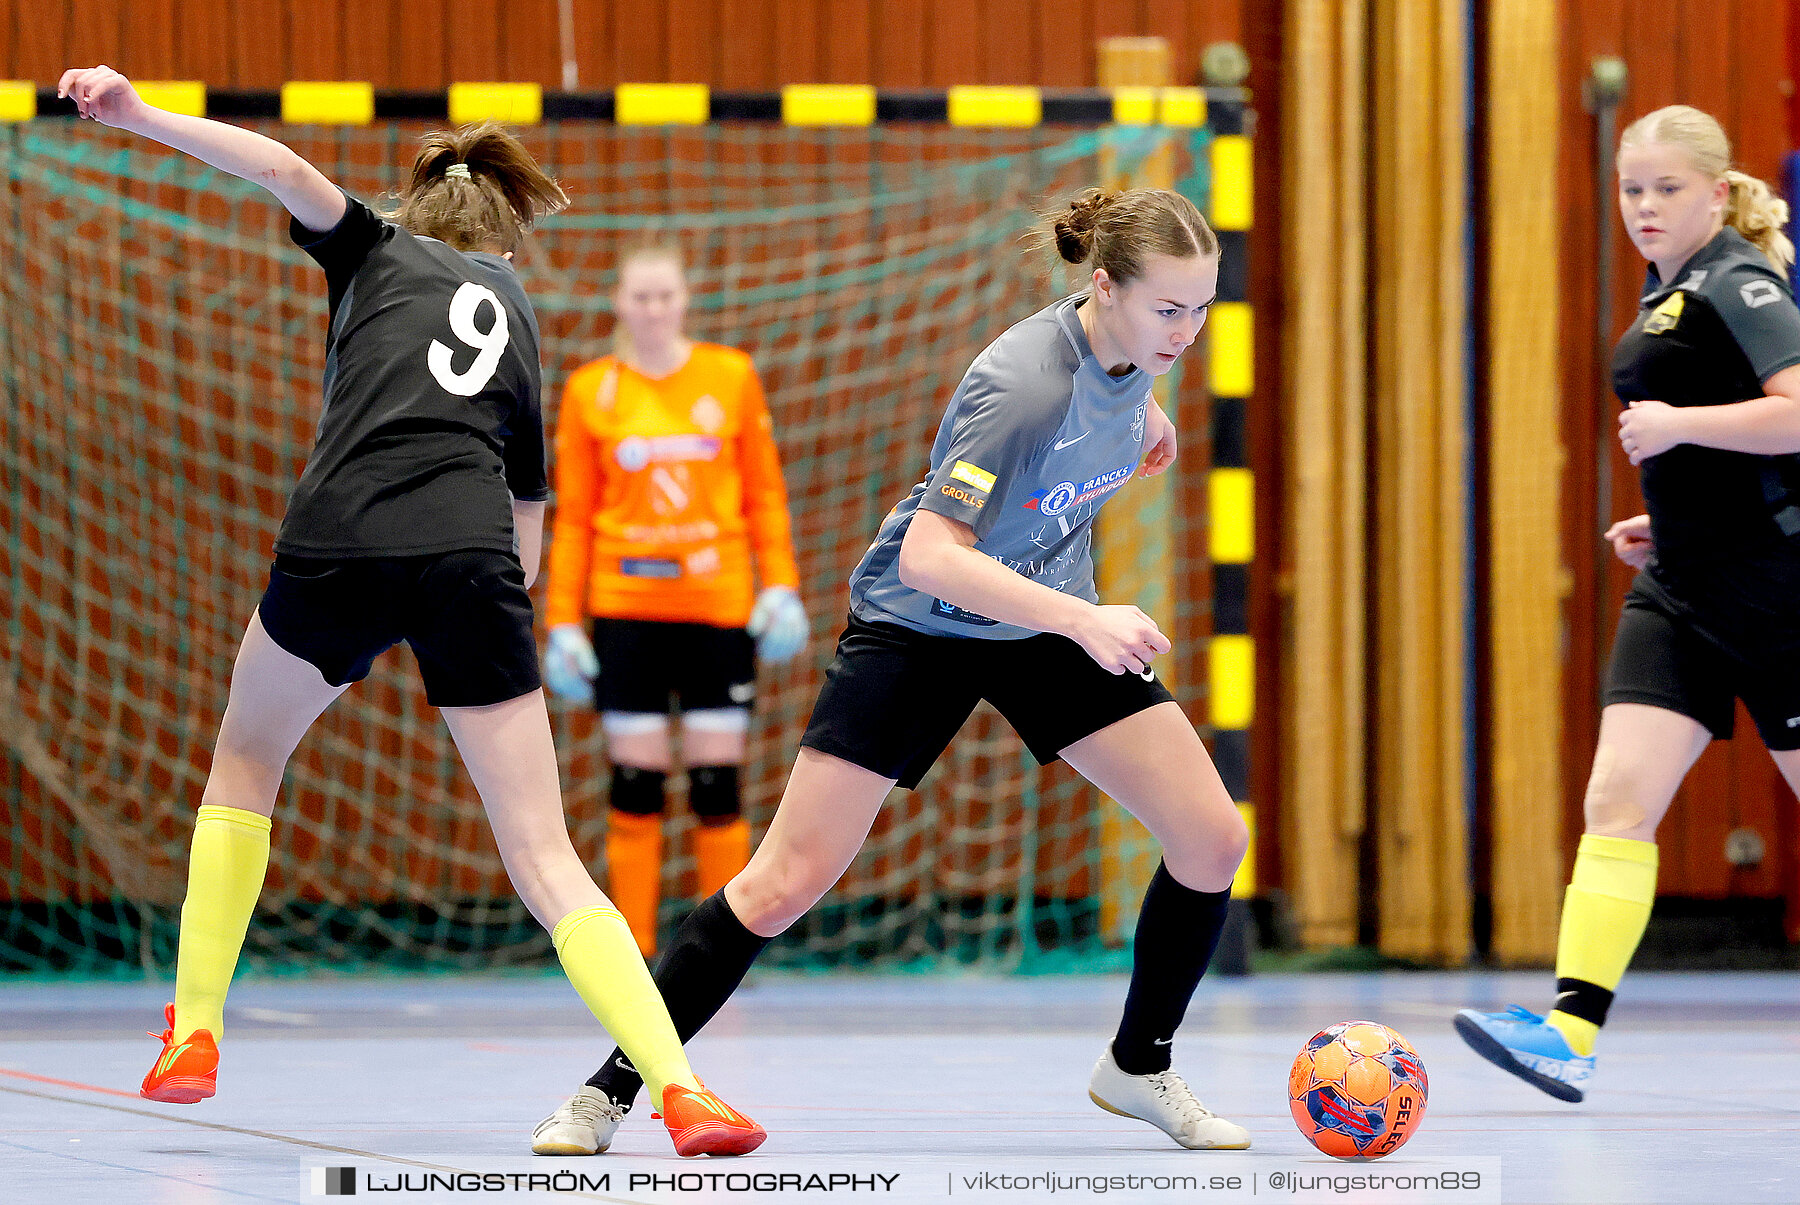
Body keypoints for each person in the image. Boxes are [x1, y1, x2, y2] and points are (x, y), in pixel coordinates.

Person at [56, 64, 764, 1156]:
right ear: (503, 243)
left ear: (410, 212)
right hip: (470, 556)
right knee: (542, 851)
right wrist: (505, 620)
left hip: (339, 536)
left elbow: (286, 168)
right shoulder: (518, 309)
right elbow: (529, 504)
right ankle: (678, 1087)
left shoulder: (374, 247)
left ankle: (192, 1028)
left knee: (245, 761)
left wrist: (137, 111)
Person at [533, 187, 1251, 1156]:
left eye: (1201, 308)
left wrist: (1148, 412)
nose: (1188, 329)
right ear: (1105, 287)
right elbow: (931, 554)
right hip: (925, 625)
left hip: (1036, 617)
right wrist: (1086, 618)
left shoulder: (1130, 352)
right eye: (1169, 309)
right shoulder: (1021, 383)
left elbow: (1110, 394)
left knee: (1210, 838)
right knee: (783, 882)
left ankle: (1138, 1062)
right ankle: (615, 1088)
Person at [1456, 104, 1800, 1102]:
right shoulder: (1672, 288)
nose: (1644, 207)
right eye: (1630, 189)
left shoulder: (1739, 277)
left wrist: (1680, 423)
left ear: (1716, 187)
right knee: (1616, 801)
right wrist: (1671, 524)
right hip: (1682, 588)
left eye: (1667, 189)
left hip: (1776, 595)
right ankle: (1567, 1031)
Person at [539, 243, 806, 963]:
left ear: (685, 299)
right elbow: (572, 517)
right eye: (640, 296)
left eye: (665, 295)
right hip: (625, 610)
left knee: (717, 783)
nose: (653, 308)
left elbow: (763, 492)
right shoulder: (592, 390)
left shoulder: (730, 376)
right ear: (619, 303)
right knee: (636, 782)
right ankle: (631, 953)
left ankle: (720, 955)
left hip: (718, 609)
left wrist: (779, 582)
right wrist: (561, 621)